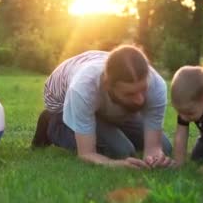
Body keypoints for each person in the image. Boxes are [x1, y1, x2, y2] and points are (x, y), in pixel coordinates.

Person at [31, 45, 173, 169]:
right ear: (107, 86)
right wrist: (113, 165)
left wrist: (155, 157)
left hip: (102, 100)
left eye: (143, 90)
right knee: (121, 151)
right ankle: (52, 123)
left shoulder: (156, 85)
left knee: (165, 148)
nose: (140, 100)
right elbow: (86, 153)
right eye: (130, 94)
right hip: (60, 101)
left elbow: (154, 148)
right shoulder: (82, 88)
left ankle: (108, 120)